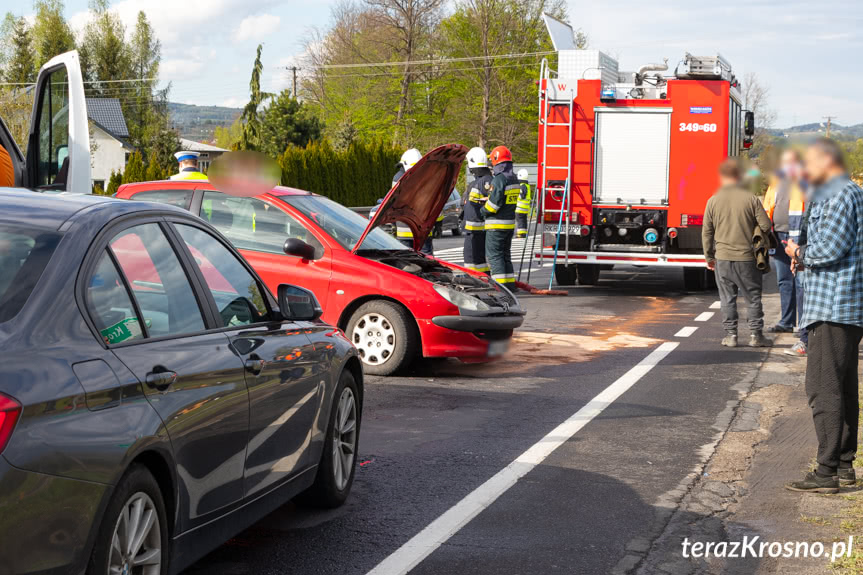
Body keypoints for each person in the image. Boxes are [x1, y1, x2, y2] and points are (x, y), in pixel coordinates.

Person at [784, 138, 863, 494]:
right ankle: (843, 465)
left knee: (822, 388)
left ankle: (827, 472)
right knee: (843, 387)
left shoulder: (837, 192)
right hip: (840, 305)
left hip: (832, 304)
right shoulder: (845, 191)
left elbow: (830, 247)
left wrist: (798, 250)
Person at [702, 158, 773, 348]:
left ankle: (731, 335)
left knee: (727, 298)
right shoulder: (750, 199)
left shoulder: (713, 201)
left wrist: (709, 257)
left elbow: (707, 232)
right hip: (747, 259)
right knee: (753, 297)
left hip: (723, 258)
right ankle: (756, 336)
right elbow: (766, 225)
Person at [762, 150, 807, 349]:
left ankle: (804, 327)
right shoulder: (776, 182)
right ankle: (787, 322)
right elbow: (767, 207)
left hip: (798, 238)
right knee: (784, 280)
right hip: (777, 237)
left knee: (801, 283)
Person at [481, 146, 519, 286]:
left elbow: (493, 206)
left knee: (495, 257)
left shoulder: (499, 180)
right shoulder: (514, 178)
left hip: (496, 225)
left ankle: (500, 289)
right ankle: (509, 285)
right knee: (505, 256)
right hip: (509, 224)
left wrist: (482, 210)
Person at [393, 148, 434, 255]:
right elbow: (433, 202)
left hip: (404, 228)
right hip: (423, 229)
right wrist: (438, 222)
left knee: (407, 261)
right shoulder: (429, 177)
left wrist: (393, 222)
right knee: (427, 260)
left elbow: (393, 202)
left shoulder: (397, 178)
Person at [463, 147, 491, 273]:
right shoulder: (484, 180)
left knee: (471, 258)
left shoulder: (483, 182)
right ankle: (483, 277)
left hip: (476, 229)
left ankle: (474, 278)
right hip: (476, 229)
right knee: (478, 258)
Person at [515, 168, 532, 238]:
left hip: (519, 208)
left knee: (520, 221)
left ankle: (520, 234)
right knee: (523, 220)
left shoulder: (522, 185)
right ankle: (524, 233)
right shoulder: (527, 185)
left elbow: (522, 196)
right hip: (525, 208)